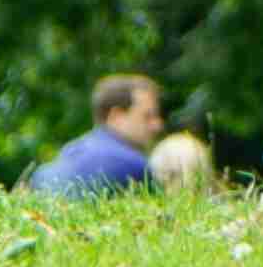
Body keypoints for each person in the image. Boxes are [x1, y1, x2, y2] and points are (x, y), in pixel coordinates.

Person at [29, 74, 164, 197]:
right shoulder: (134, 165)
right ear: (116, 117)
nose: (157, 125)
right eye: (147, 116)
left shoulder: (69, 151)